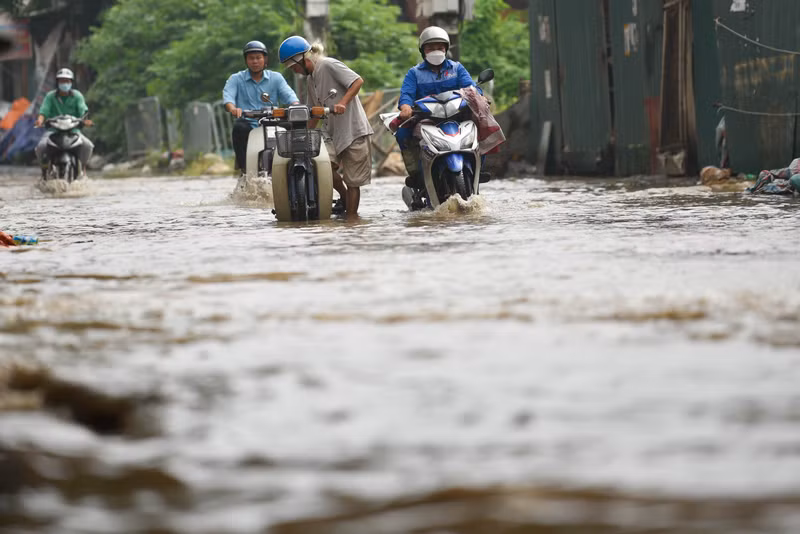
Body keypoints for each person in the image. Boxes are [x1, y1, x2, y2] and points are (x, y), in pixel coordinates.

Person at [279, 36, 373, 217]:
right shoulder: (310, 80)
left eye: (295, 67)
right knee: (322, 167)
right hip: (331, 132)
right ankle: (344, 198)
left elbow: (357, 81)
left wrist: (343, 103)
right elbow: (314, 112)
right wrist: (303, 134)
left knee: (353, 181)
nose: (296, 71)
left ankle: (352, 220)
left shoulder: (328, 64)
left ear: (303, 59)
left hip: (354, 130)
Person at [396, 27, 478, 205]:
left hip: (457, 118)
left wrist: (478, 96)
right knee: (401, 133)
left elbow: (471, 88)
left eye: (439, 47)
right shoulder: (414, 73)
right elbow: (406, 95)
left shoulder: (457, 69)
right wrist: (405, 107)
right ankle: (417, 176)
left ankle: (480, 168)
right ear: (422, 51)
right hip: (427, 120)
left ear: (446, 49)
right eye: (430, 48)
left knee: (481, 126)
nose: (435, 51)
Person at [222, 40, 300, 175]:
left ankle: (296, 164)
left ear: (265, 59)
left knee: (295, 125)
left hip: (273, 122)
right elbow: (228, 98)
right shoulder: (236, 79)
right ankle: (245, 169)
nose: (255, 61)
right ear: (246, 60)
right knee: (239, 127)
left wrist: (295, 106)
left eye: (258, 57)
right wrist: (233, 109)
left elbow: (290, 96)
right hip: (249, 123)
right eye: (251, 58)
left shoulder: (276, 78)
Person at [34, 68, 94, 179]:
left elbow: (83, 111)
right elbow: (44, 111)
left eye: (67, 81)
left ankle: (84, 168)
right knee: (40, 147)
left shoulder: (77, 96)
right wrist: (40, 120)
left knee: (88, 146)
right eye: (62, 81)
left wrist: (85, 120)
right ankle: (44, 170)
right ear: (57, 82)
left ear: (71, 82)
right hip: (53, 131)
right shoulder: (50, 96)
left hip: (73, 131)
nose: (64, 83)